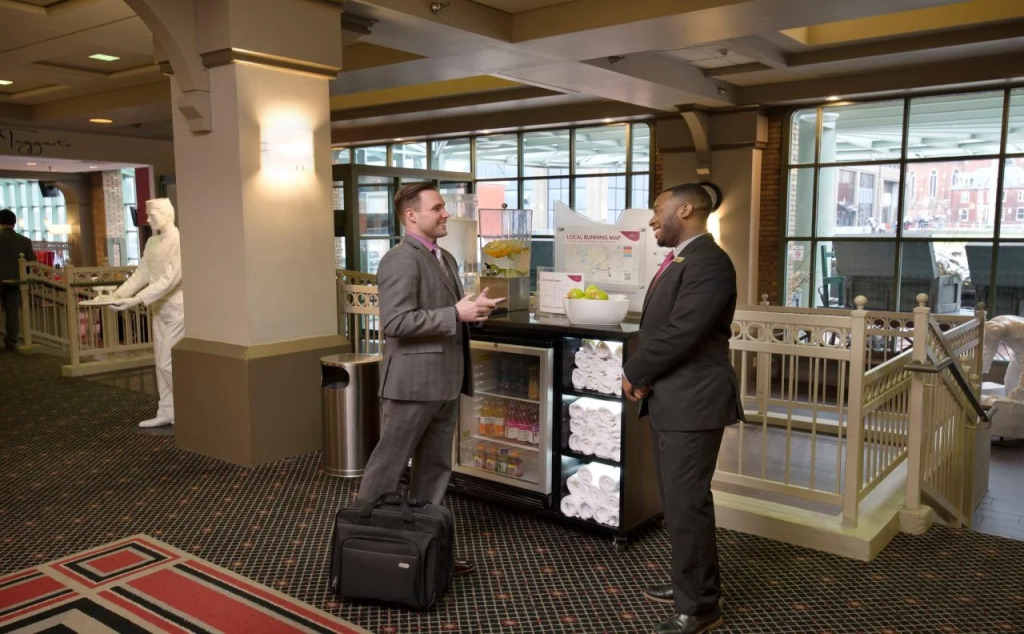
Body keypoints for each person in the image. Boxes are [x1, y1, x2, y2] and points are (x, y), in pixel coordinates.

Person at [357, 182, 503, 576]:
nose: (446, 213)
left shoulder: (446, 258)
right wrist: (455, 314)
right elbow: (395, 323)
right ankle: (364, 551)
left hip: (445, 382)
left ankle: (425, 550)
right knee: (387, 470)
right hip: (410, 385)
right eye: (437, 208)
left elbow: (449, 312)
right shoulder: (399, 260)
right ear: (411, 216)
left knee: (435, 471)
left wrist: (473, 311)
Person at [621, 183, 744, 634]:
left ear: (686, 209)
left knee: (687, 505)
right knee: (678, 504)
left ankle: (700, 607)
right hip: (673, 399)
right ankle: (690, 585)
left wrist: (635, 371)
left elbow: (682, 332)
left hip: (694, 403)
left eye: (658, 209)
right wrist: (647, 377)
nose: (652, 219)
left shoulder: (710, 262)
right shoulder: (683, 259)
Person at [109, 198, 184, 429]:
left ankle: (190, 409)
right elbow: (142, 274)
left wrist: (137, 299)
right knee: (160, 363)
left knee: (167, 364)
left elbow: (169, 280)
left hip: (177, 309)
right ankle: (167, 411)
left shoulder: (179, 240)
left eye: (152, 215)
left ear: (167, 214)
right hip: (158, 309)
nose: (147, 219)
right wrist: (117, 295)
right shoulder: (152, 241)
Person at [0, 208, 36, 351]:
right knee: (12, 312)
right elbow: (31, 262)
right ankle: (11, 341)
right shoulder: (24, 241)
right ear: (14, 223)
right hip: (16, 281)